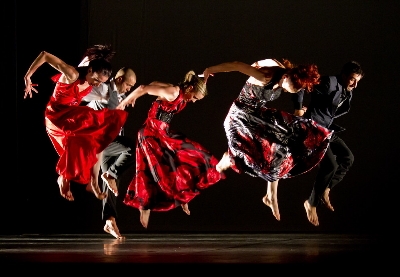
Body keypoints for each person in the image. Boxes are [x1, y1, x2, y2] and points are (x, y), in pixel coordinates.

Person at [202, 59, 332, 221]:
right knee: (264, 152)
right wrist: (209, 69)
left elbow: (292, 90)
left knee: (284, 146)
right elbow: (236, 65)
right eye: (288, 88)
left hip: (257, 116)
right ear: (285, 77)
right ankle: (229, 160)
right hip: (239, 117)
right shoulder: (266, 75)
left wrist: (299, 116)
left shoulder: (288, 74)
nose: (285, 91)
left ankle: (269, 194)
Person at [116, 70, 226, 228]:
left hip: (163, 133)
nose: (193, 101)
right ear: (189, 89)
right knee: (155, 171)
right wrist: (126, 102)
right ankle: (149, 205)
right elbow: (143, 88)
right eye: (195, 97)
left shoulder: (178, 90)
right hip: (151, 134)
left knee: (184, 160)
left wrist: (204, 78)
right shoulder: (174, 92)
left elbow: (153, 84)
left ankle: (181, 196)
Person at [23, 45, 128, 202]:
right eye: (97, 80)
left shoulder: (92, 71)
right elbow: (45, 55)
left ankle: (72, 179)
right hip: (56, 116)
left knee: (90, 139)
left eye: (102, 82)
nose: (98, 85)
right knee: (96, 119)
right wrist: (28, 77)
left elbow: (94, 61)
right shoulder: (72, 74)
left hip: (70, 118)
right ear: (90, 70)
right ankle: (81, 180)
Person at [294, 61, 364, 226]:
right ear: (344, 75)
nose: (355, 85)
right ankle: (311, 203)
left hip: (327, 129)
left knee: (348, 158)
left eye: (357, 81)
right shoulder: (329, 82)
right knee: (329, 166)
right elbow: (303, 84)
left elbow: (332, 109)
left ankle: (326, 188)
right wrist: (298, 109)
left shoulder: (347, 91)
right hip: (314, 129)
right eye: (353, 79)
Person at [81, 67, 137, 239]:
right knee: (134, 148)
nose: (130, 88)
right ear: (119, 79)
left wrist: (128, 98)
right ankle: (110, 175)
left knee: (110, 185)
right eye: (129, 84)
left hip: (112, 143)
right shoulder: (104, 89)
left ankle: (109, 221)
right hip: (103, 142)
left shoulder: (121, 95)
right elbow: (84, 96)